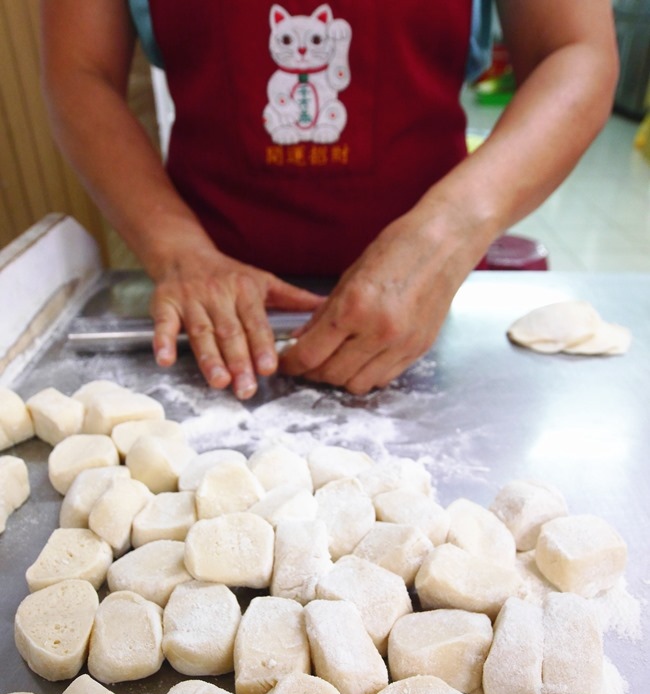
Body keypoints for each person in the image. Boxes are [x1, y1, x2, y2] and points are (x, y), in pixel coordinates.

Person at [40, 0, 618, 400]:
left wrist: (450, 229)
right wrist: (176, 250)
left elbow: (575, 50)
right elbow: (79, 70)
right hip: (211, 319)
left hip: (437, 303)